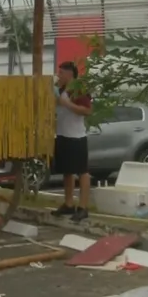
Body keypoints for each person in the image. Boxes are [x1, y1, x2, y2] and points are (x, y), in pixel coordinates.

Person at [51, 61, 93, 222]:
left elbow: (88, 110)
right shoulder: (59, 89)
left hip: (77, 137)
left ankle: (83, 207)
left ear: (69, 74)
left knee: (82, 172)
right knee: (67, 172)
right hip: (62, 135)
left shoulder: (78, 89)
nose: (58, 76)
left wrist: (68, 104)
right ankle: (69, 204)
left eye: (61, 73)